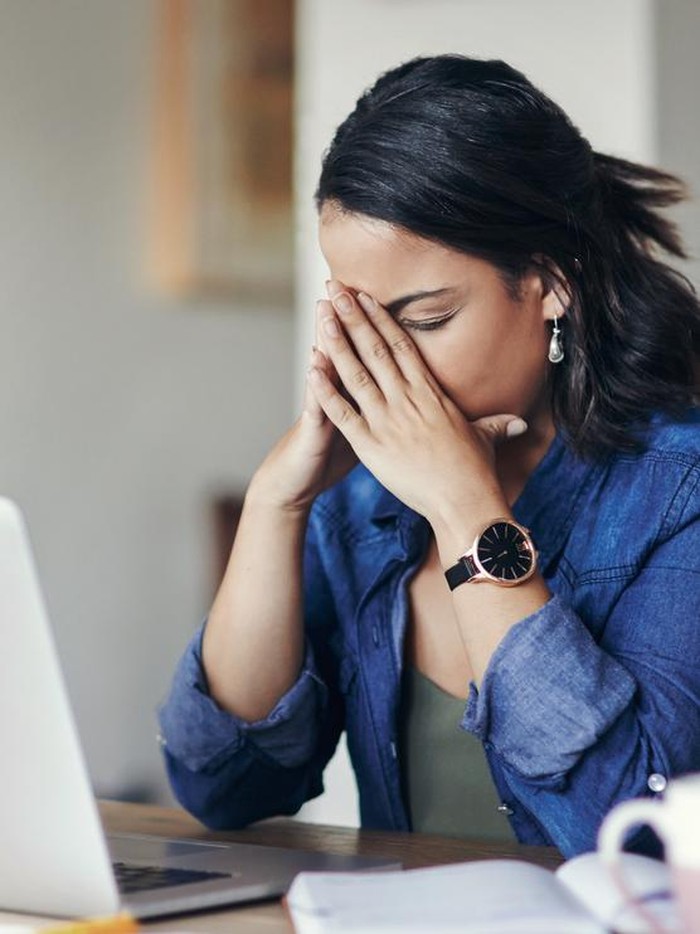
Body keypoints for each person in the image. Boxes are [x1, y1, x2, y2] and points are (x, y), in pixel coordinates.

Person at [158, 55, 700, 858]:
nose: (390, 369)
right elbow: (224, 786)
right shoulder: (360, 506)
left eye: (428, 318)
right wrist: (280, 502)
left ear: (552, 282)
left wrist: (461, 506)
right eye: (366, 324)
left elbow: (630, 836)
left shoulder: (678, 491)